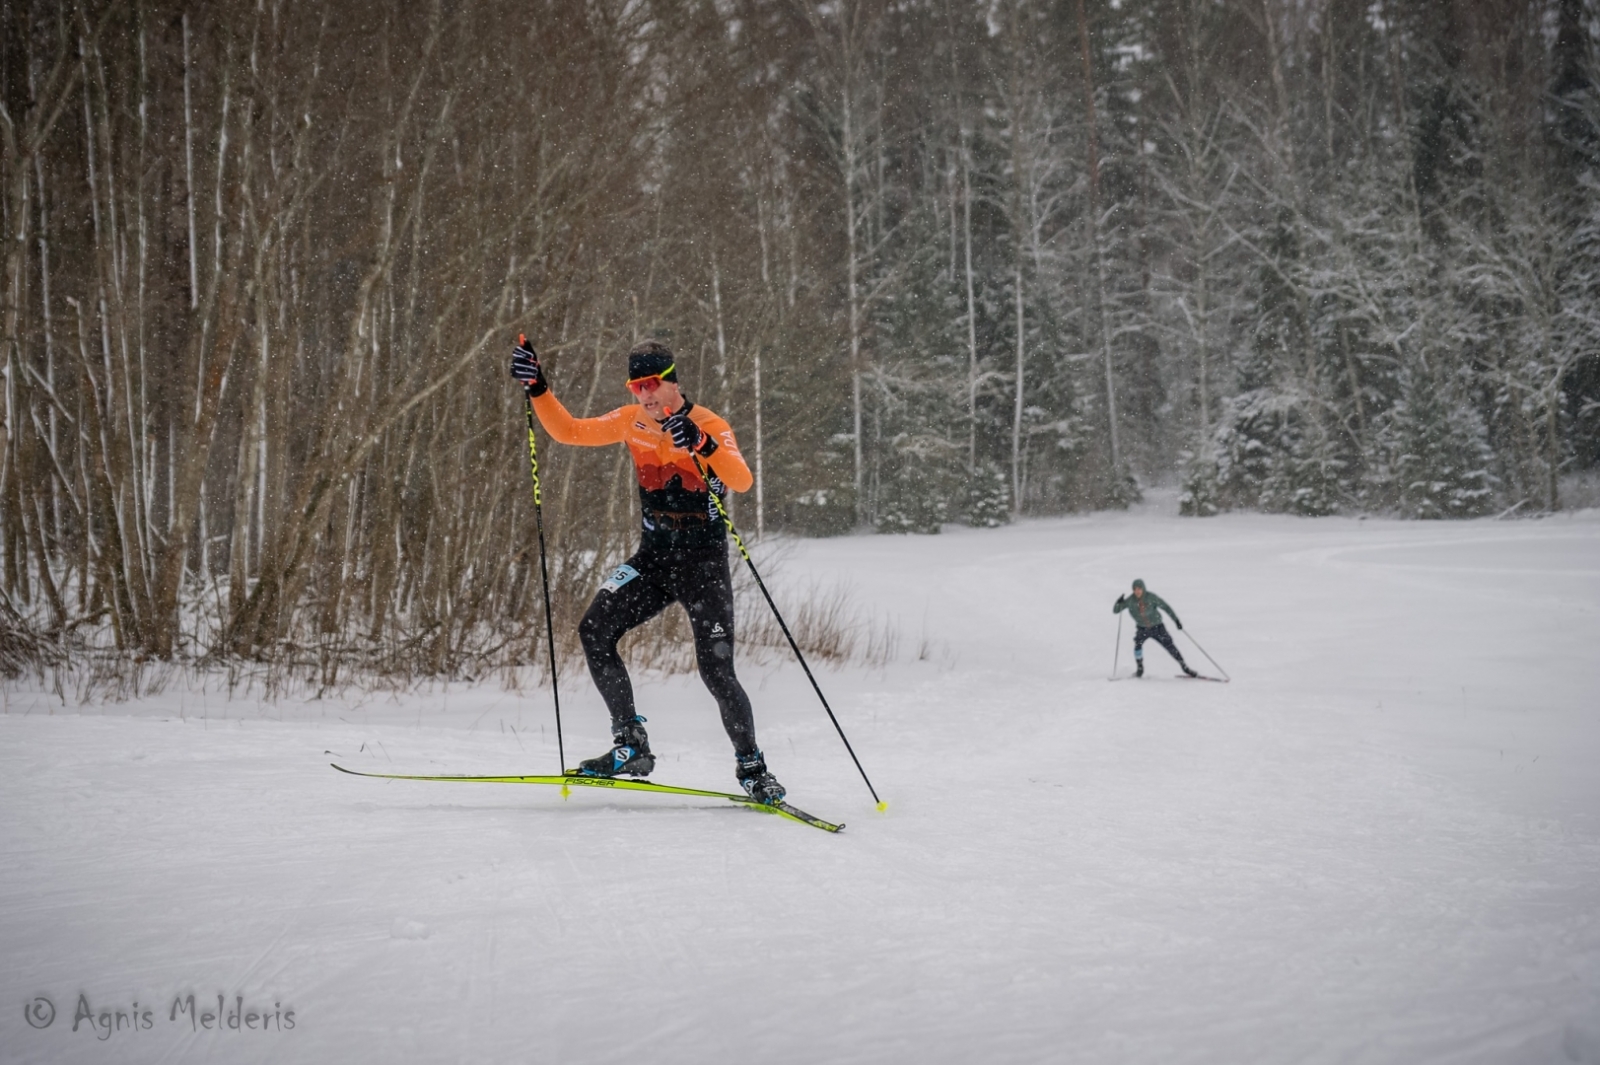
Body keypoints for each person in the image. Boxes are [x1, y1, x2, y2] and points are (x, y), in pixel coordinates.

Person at [509, 335, 785, 803]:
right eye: (637, 387)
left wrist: (702, 444)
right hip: (654, 560)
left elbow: (741, 478)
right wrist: (539, 388)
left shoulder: (708, 423)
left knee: (716, 672)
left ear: (673, 381)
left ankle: (753, 770)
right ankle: (632, 744)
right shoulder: (629, 420)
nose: (645, 395)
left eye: (653, 384)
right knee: (594, 630)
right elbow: (569, 431)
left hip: (702, 566)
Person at [1113, 579, 1198, 678]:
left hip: (1158, 628)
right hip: (1142, 629)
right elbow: (1116, 610)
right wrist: (1118, 603)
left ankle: (1184, 667)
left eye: (1139, 588)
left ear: (1143, 588)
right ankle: (1140, 669)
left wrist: (1176, 620)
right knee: (1137, 645)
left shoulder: (1151, 597)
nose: (1137, 591)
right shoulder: (1130, 601)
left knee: (1170, 646)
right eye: (1135, 589)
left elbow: (1166, 607)